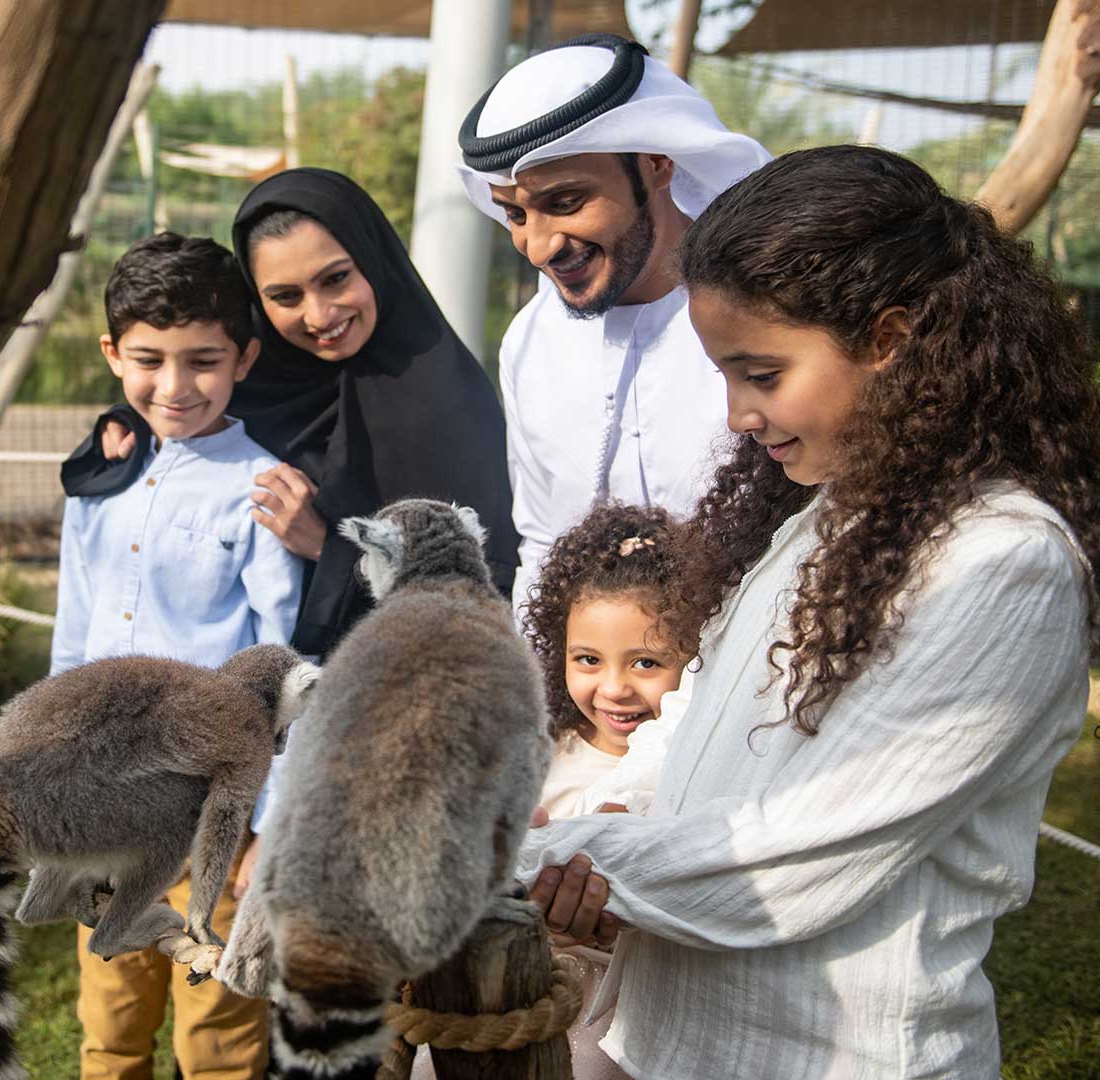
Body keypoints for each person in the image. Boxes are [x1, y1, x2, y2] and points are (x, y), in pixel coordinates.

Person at [516, 146, 1100, 1078]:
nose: (738, 414)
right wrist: (591, 820)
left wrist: (528, 863)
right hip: (668, 1041)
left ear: (892, 341)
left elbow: (808, 851)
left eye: (761, 371)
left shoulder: (1005, 561)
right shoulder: (826, 516)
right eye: (724, 374)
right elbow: (701, 719)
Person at [65, 168, 518, 659]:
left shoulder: (444, 399)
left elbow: (483, 586)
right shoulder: (255, 379)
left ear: (371, 258)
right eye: (285, 296)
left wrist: (331, 549)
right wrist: (124, 423)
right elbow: (182, 402)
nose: (320, 316)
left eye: (336, 279)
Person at [56, 232, 305, 1080]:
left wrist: (265, 824)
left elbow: (284, 673)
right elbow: (73, 630)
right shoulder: (102, 476)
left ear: (244, 358)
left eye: (202, 361)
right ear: (112, 354)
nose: (174, 386)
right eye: (148, 360)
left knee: (220, 1036)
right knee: (111, 1019)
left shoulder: (263, 488)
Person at [455, 32, 769, 612]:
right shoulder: (530, 341)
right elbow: (545, 546)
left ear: (655, 162)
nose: (537, 247)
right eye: (516, 214)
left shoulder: (766, 317)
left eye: (566, 202)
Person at [424, 502, 690, 1080]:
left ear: (692, 659)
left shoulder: (690, 770)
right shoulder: (537, 754)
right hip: (502, 987)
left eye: (646, 662)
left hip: (618, 1011)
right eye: (588, 660)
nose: (614, 688)